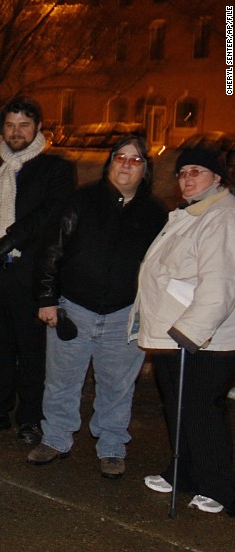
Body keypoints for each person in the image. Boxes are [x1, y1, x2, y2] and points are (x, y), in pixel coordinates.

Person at [27, 137, 166, 478]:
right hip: (74, 308)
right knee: (61, 381)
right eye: (121, 157)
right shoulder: (80, 201)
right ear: (109, 163)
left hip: (124, 315)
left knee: (118, 386)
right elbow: (50, 250)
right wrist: (46, 299)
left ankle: (112, 446)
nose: (126, 165)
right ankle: (56, 438)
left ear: (145, 169)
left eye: (136, 160)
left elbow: (163, 267)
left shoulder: (156, 213)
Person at [0, 96, 75, 444]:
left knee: (30, 352)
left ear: (39, 127)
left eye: (24, 125)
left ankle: (30, 418)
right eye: (10, 125)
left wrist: (7, 242)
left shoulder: (55, 168)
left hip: (27, 273)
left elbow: (50, 215)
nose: (16, 132)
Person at [137, 148, 235, 515]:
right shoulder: (189, 212)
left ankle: (219, 486)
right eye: (182, 172)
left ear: (217, 178)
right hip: (172, 332)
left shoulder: (222, 216)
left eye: (198, 171)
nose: (188, 178)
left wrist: (190, 333)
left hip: (204, 339)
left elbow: (221, 285)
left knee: (201, 411)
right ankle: (185, 472)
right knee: (179, 406)